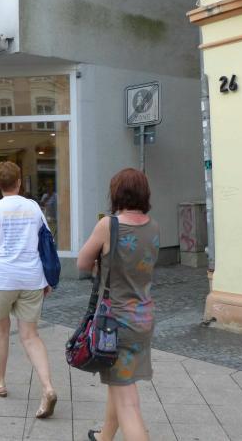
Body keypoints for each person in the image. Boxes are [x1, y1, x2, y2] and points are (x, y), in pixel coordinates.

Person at [76, 168, 158, 441]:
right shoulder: (154, 226)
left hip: (116, 323)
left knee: (128, 403)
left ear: (116, 193)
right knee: (120, 382)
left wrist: (102, 262)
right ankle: (105, 436)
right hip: (144, 317)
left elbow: (82, 263)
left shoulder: (109, 225)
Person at [0, 161, 57, 419]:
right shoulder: (33, 207)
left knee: (0, 330)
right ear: (19, 182)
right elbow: (46, 239)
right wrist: (46, 279)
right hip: (32, 277)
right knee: (31, 336)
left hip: (2, 278)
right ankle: (47, 387)